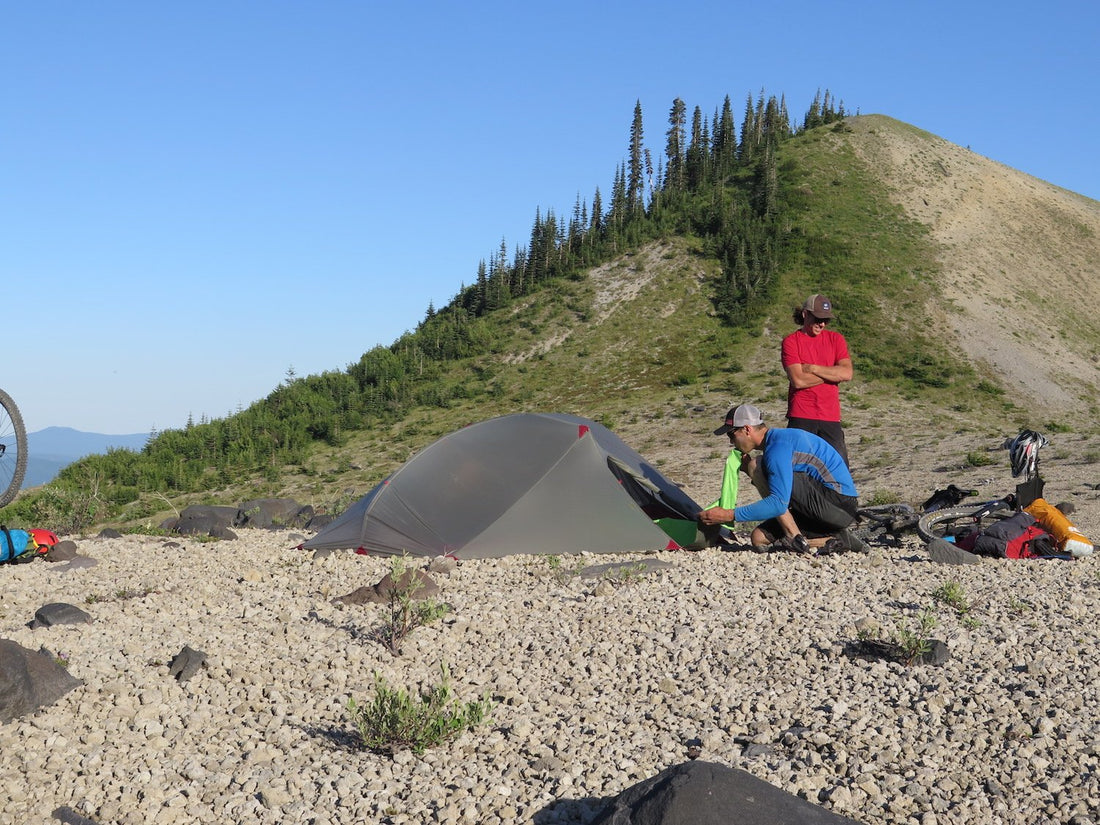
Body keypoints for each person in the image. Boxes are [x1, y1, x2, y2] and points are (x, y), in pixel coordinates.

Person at [698, 403, 867, 554]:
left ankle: (795, 538)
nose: (731, 442)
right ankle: (835, 539)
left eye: (731, 435)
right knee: (758, 538)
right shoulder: (777, 442)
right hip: (825, 507)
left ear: (747, 429)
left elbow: (778, 504)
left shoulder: (777, 447)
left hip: (839, 504)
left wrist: (729, 515)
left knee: (756, 466)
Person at [782, 294, 852, 465]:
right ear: (806, 314)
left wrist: (813, 368)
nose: (822, 324)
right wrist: (833, 375)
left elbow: (847, 373)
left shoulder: (836, 339)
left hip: (830, 416)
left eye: (826, 320)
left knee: (839, 467)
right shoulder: (791, 342)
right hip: (802, 414)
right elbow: (798, 380)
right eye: (818, 319)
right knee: (798, 468)